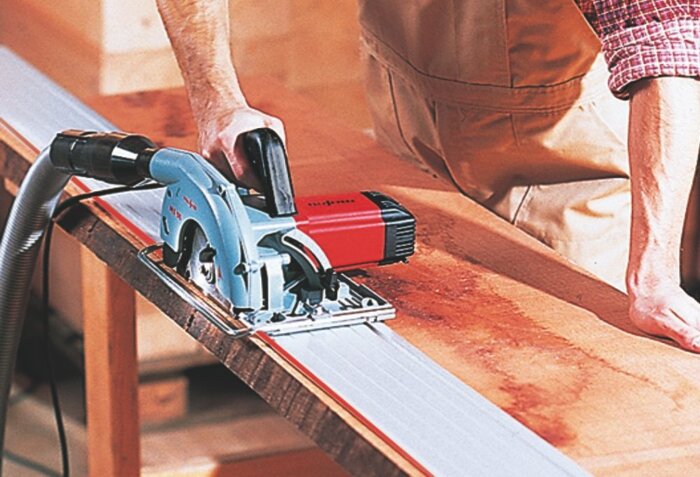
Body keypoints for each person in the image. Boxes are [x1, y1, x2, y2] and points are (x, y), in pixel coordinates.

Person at [156, 0, 700, 351]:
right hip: (405, 143)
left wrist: (653, 273)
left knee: (564, 392)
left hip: (556, 183)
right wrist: (217, 100)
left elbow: (665, 47)